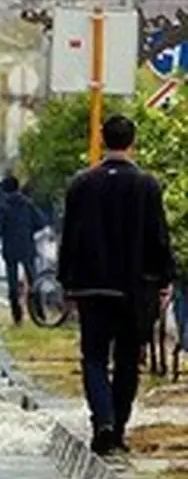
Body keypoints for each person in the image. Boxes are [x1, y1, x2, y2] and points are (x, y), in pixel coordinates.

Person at [58, 114, 176, 456]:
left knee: (93, 358)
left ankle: (103, 422)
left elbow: (70, 239)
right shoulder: (147, 186)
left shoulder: (81, 184)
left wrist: (67, 283)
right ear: (133, 142)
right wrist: (164, 279)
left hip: (92, 290)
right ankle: (119, 428)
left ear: (102, 138)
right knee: (127, 360)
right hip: (134, 290)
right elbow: (159, 237)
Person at [0, 175, 49, 326]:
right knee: (33, 281)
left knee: (13, 284)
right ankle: (39, 313)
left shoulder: (4, 207)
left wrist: (6, 232)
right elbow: (41, 222)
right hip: (27, 246)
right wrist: (28, 230)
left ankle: (17, 317)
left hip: (10, 248)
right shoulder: (28, 205)